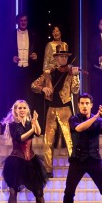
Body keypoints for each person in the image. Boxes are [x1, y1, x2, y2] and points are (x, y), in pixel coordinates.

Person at [0, 100, 49, 203]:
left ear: (27, 110)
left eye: (24, 108)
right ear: (15, 110)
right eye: (19, 108)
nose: (22, 110)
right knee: (13, 191)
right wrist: (32, 128)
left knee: (39, 192)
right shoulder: (12, 125)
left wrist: (35, 122)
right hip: (16, 161)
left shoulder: (29, 123)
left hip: (31, 161)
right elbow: (20, 138)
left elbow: (38, 132)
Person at [31, 48, 80, 177]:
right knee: (47, 141)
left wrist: (75, 76)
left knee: (69, 140)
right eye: (61, 56)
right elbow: (33, 85)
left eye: (66, 57)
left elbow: (75, 90)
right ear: (56, 58)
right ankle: (48, 170)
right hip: (51, 109)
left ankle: (75, 167)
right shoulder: (48, 72)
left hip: (65, 109)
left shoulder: (71, 72)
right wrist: (43, 88)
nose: (64, 59)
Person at [2, 13, 40, 109]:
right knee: (15, 94)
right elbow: (5, 51)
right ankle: (14, 116)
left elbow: (38, 49)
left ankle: (28, 116)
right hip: (15, 69)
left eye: (25, 20)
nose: (23, 22)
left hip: (29, 69)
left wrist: (36, 56)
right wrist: (11, 58)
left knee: (29, 95)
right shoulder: (11, 35)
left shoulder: (33, 35)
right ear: (17, 22)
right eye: (21, 21)